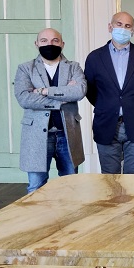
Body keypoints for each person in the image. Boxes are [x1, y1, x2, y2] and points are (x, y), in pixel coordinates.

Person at [85, 11, 134, 174]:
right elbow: (90, 90)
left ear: (133, 30)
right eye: (119, 24)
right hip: (106, 123)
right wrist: (108, 105)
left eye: (127, 26)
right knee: (109, 177)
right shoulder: (95, 57)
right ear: (110, 27)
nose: (123, 29)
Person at [14, 28, 86, 193]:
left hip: (67, 134)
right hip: (36, 136)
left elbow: (79, 92)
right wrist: (62, 97)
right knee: (36, 187)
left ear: (62, 44)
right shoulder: (25, 68)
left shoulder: (74, 67)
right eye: (44, 40)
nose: (50, 44)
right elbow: (24, 98)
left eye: (55, 40)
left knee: (70, 187)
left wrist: (43, 91)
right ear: (37, 44)